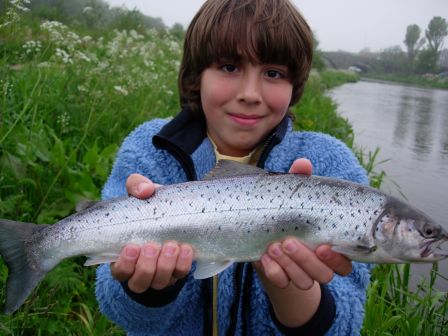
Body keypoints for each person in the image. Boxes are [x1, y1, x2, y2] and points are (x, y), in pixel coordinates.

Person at [95, 0, 371, 335]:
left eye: (273, 73)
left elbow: (346, 325)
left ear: (293, 86)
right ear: (197, 77)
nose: (250, 93)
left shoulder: (330, 165)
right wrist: (154, 287)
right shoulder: (149, 149)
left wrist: (290, 289)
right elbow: (118, 310)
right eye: (229, 67)